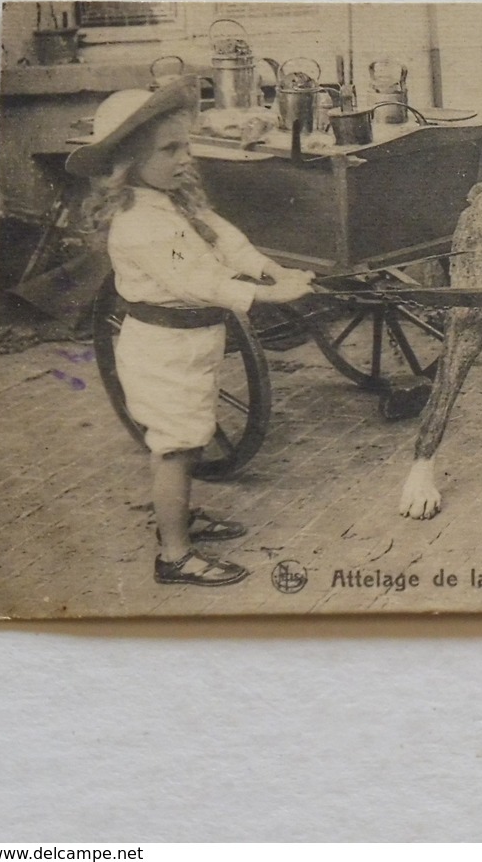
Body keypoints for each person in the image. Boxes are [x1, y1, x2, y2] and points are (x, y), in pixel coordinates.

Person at [67, 76, 314, 587]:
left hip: (192, 346)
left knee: (192, 435)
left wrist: (269, 269)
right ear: (130, 162)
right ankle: (175, 555)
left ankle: (176, 515)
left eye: (185, 145)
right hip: (162, 351)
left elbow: (225, 241)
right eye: (169, 149)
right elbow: (198, 278)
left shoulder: (176, 201)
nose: (184, 158)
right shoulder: (141, 223)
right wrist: (266, 294)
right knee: (178, 446)